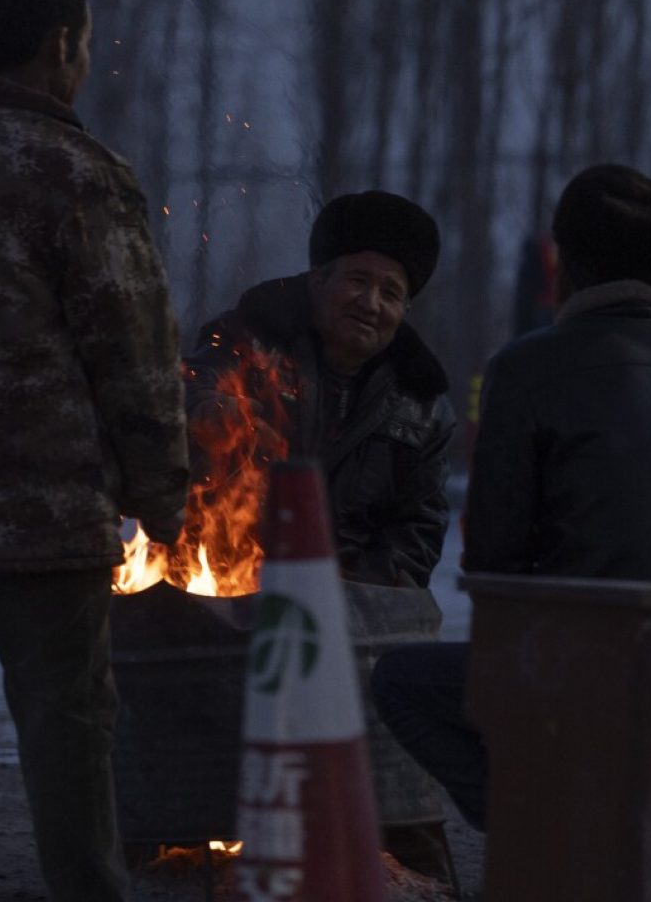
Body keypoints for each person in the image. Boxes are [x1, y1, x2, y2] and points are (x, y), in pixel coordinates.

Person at [372, 164, 651, 832]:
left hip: (586, 676)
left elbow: (494, 568)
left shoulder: (525, 368)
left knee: (400, 683)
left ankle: (548, 831)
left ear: (567, 266)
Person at [0, 0, 189, 902]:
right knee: (67, 732)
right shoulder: (77, 171)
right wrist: (166, 498)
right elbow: (133, 351)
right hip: (42, 519)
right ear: (61, 47)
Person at [183, 190, 457, 883]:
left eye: (392, 293)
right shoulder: (240, 347)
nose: (372, 303)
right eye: (359, 281)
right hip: (228, 609)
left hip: (353, 614)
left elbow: (418, 532)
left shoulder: (420, 402)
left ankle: (424, 884)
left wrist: (353, 593)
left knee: (396, 776)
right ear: (319, 281)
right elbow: (192, 467)